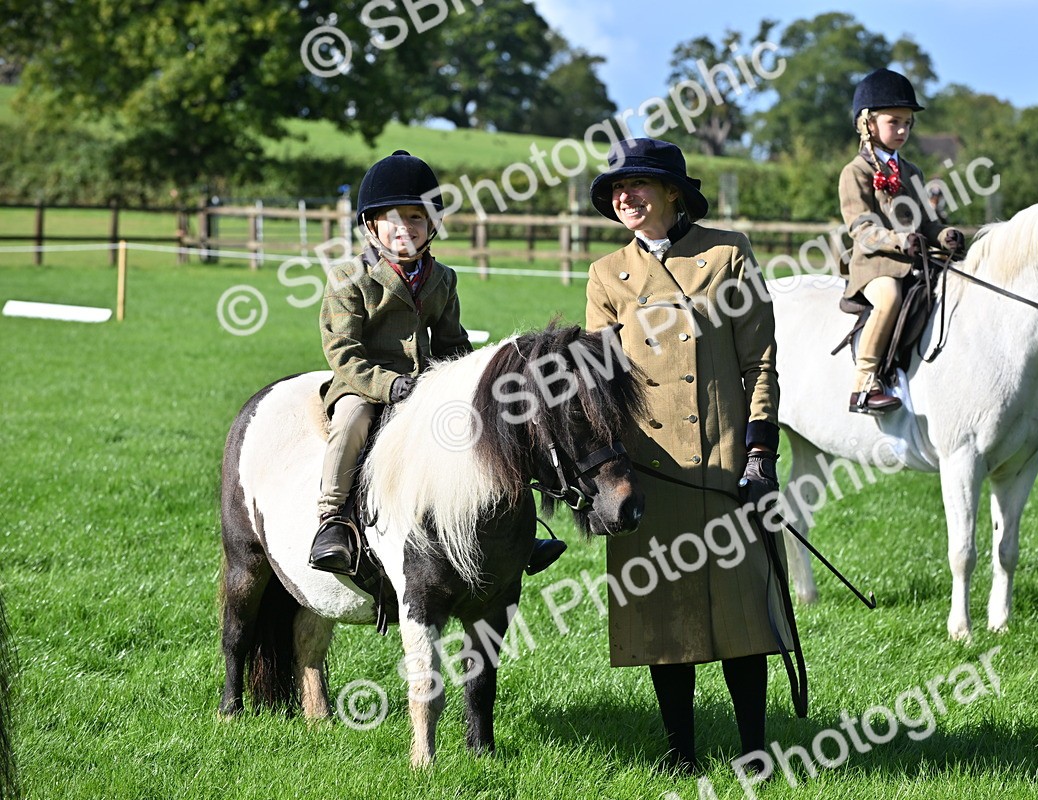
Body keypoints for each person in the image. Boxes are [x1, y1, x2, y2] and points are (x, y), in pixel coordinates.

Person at [585, 138, 793, 772]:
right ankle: (680, 755)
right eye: (618, 189)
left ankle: (755, 750)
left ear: (673, 193)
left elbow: (760, 359)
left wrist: (759, 456)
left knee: (741, 615)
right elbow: (598, 381)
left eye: (639, 185)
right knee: (663, 616)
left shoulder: (728, 253)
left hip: (726, 462)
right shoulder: (606, 274)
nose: (626, 197)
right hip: (648, 471)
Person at [309, 149, 566, 577]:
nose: (405, 228)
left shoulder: (443, 278)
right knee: (352, 421)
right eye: (394, 218)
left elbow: (452, 342)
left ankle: (515, 527)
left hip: (426, 385)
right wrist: (389, 386)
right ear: (372, 225)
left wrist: (471, 384)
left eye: (416, 218)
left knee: (493, 427)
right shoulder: (347, 278)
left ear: (432, 225)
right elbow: (343, 353)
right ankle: (332, 519)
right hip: (364, 386)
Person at [839, 68, 965, 414]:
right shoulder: (856, 172)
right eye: (894, 122)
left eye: (908, 124)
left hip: (914, 260)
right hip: (874, 263)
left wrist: (944, 235)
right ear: (868, 123)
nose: (902, 130)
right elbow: (861, 227)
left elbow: (927, 222)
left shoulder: (912, 172)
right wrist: (898, 240)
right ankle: (863, 384)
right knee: (890, 296)